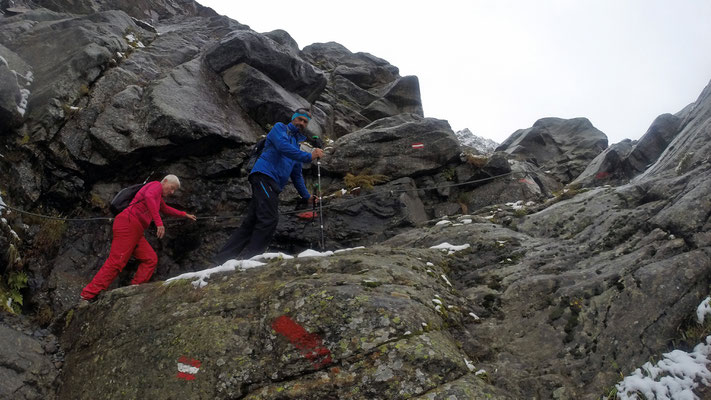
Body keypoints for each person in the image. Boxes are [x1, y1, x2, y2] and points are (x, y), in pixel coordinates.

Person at [214, 108, 324, 263]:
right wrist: (309, 156)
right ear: (293, 118)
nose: (302, 123)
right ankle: (252, 260)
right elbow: (282, 147)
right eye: (299, 119)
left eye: (305, 122)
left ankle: (222, 259)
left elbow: (297, 174)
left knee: (252, 222)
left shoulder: (297, 146)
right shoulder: (279, 128)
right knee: (269, 219)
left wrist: (307, 196)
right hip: (264, 176)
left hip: (272, 183)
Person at [80, 174, 196, 304]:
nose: (172, 192)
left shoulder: (158, 197)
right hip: (128, 223)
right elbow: (149, 197)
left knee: (150, 259)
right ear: (165, 181)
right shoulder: (155, 185)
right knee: (116, 261)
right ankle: (88, 295)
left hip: (135, 230)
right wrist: (159, 223)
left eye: (174, 190)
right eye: (171, 188)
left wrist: (184, 214)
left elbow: (166, 209)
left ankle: (133, 289)